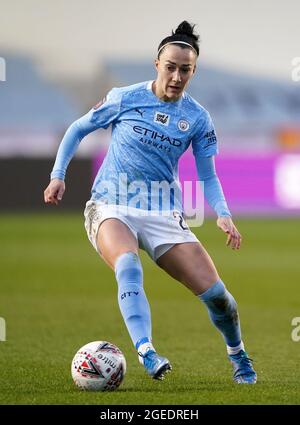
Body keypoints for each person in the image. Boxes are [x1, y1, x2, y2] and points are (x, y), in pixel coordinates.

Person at [44, 21, 257, 384]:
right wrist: (58, 174)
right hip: (110, 205)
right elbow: (78, 128)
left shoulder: (198, 118)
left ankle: (239, 357)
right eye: (171, 67)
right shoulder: (124, 97)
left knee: (221, 299)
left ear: (194, 71)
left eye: (185, 70)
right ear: (157, 64)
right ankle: (146, 351)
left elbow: (207, 175)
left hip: (161, 211)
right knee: (128, 266)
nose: (177, 76)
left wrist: (223, 214)